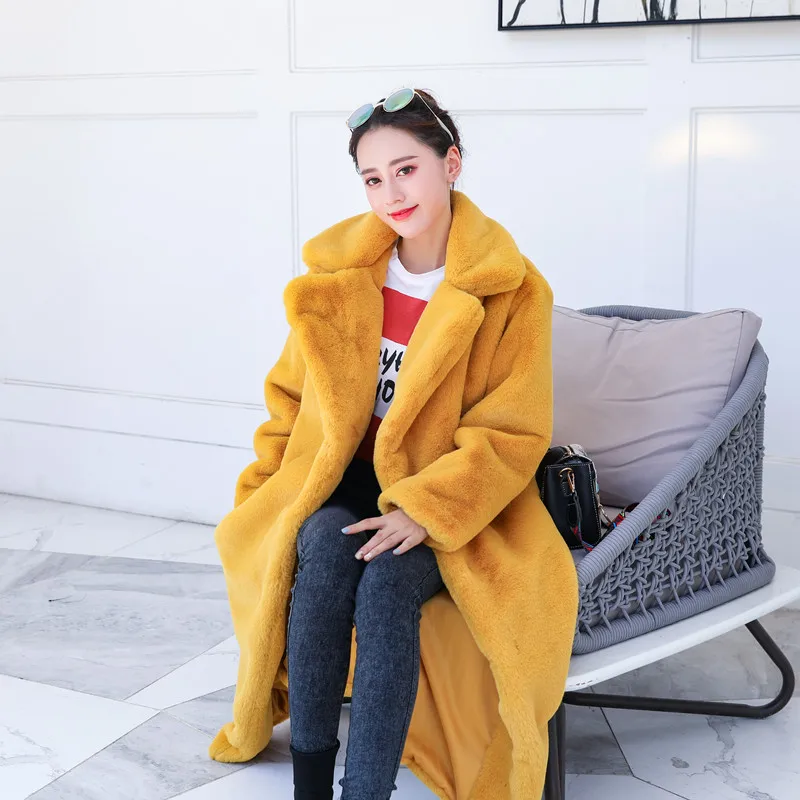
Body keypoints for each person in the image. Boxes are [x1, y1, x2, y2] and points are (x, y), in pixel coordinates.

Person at [209, 88, 579, 800]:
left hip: (449, 493)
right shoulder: (340, 280)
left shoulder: (512, 291)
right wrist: (263, 488)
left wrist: (426, 510)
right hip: (341, 481)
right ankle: (310, 786)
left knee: (385, 585)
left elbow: (514, 431)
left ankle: (365, 792)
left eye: (406, 170)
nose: (391, 194)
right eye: (373, 179)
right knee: (320, 551)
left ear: (451, 164)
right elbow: (290, 398)